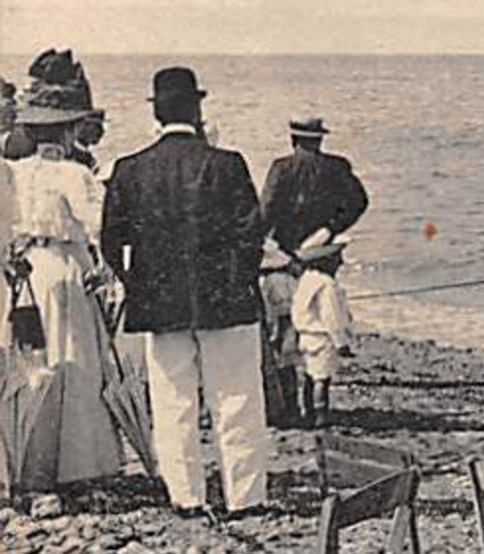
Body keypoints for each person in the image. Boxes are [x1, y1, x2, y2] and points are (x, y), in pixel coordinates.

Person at [101, 67, 270, 518]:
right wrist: (242, 278)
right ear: (197, 110)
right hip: (227, 301)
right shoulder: (227, 163)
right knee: (236, 399)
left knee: (174, 402)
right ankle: (245, 498)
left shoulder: (129, 169)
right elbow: (252, 234)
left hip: (159, 303)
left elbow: (110, 242)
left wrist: (136, 284)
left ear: (157, 113)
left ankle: (186, 497)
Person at [5, 81, 124, 489]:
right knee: (72, 359)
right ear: (71, 130)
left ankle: (25, 459)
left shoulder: (14, 172)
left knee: (30, 363)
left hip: (22, 269)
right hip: (63, 265)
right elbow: (99, 226)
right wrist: (108, 268)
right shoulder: (75, 175)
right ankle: (75, 463)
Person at [260, 117, 370, 256]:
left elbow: (267, 208)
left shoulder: (281, 168)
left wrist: (263, 239)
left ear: (293, 140)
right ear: (320, 141)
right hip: (324, 242)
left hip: (286, 245)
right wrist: (332, 228)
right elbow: (359, 202)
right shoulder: (338, 166)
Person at [290, 229, 354, 429]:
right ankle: (320, 415)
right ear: (325, 260)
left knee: (310, 376)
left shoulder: (306, 279)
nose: (341, 262)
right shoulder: (327, 284)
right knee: (322, 379)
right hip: (321, 337)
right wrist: (341, 342)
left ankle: (309, 411)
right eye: (337, 257)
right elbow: (331, 317)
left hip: (305, 336)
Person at [258, 241, 301, 430]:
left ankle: (280, 410)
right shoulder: (279, 280)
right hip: (282, 330)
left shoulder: (270, 281)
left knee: (276, 370)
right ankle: (287, 410)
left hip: (279, 329)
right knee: (284, 370)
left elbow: (278, 313)